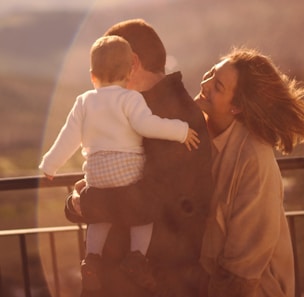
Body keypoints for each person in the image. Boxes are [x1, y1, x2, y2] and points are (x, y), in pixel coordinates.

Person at [39, 34, 200, 292]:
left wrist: (50, 165)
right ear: (129, 71)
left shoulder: (83, 102)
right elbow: (147, 125)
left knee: (98, 217)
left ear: (92, 75)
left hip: (97, 176)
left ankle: (92, 257)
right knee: (143, 215)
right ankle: (137, 256)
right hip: (127, 175)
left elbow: (68, 137)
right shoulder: (131, 99)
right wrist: (181, 131)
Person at [195, 47, 304, 297]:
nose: (206, 83)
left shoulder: (253, 158)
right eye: (212, 72)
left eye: (218, 86)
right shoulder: (196, 133)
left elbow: (242, 270)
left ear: (236, 108)